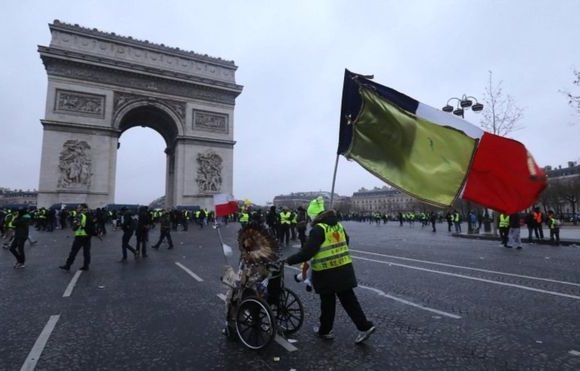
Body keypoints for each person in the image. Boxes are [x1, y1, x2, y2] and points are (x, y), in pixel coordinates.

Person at [284, 209, 376, 345]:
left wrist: (287, 260)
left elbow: (307, 253)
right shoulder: (339, 226)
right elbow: (346, 241)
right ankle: (365, 326)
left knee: (328, 303)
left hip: (326, 272)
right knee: (350, 301)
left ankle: (326, 330)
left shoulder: (318, 229)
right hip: (344, 268)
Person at [60, 204, 92, 271]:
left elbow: (75, 227)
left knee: (73, 252)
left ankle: (68, 265)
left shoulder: (80, 215)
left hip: (80, 236)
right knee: (86, 252)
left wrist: (74, 227)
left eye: (78, 207)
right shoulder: (89, 215)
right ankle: (86, 266)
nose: (77, 208)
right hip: (87, 236)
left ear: (82, 208)